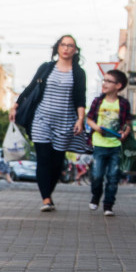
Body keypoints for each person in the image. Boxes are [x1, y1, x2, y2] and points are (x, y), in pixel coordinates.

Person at [10, 34, 90, 212]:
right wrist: (15, 106)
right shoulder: (46, 68)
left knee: (56, 162)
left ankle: (49, 192)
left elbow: (81, 98)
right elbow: (30, 87)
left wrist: (80, 119)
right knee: (43, 159)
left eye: (70, 45)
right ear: (57, 47)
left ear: (75, 50)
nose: (66, 48)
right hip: (42, 119)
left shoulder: (78, 73)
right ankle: (46, 198)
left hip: (65, 122)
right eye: (63, 44)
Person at [85, 69, 132, 216]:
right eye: (103, 81)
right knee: (97, 175)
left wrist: (124, 133)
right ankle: (96, 196)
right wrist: (96, 128)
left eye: (108, 81)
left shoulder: (123, 104)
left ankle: (108, 205)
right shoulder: (98, 101)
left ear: (118, 86)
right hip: (99, 144)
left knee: (113, 176)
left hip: (116, 146)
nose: (104, 84)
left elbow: (127, 123)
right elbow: (89, 119)